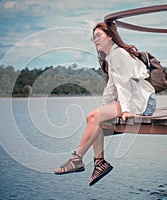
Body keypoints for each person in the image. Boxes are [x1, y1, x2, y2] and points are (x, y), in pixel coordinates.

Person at [54, 21, 156, 186]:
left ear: (110, 36)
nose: (95, 40)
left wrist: (126, 111)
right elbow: (111, 88)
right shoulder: (112, 56)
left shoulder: (119, 54)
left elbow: (124, 84)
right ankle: (99, 163)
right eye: (93, 37)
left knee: (93, 117)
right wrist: (104, 108)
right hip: (134, 98)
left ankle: (76, 159)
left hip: (142, 100)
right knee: (94, 119)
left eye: (98, 35)